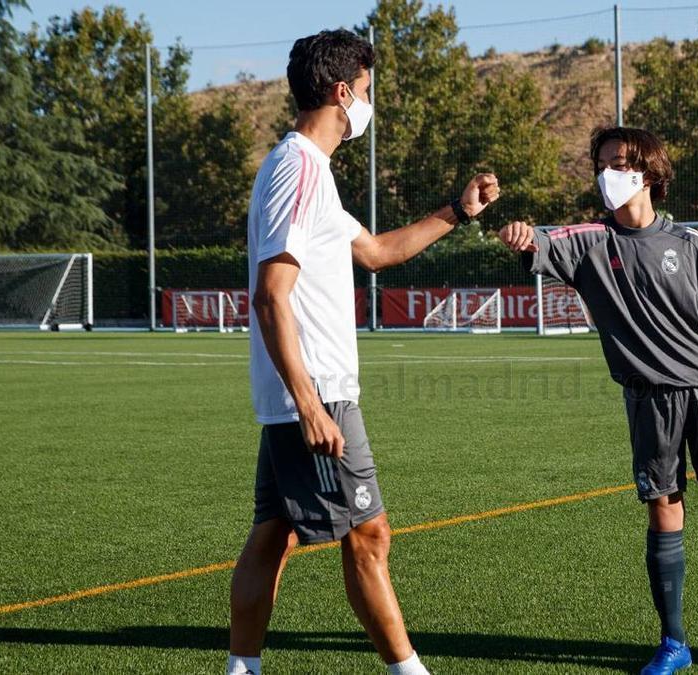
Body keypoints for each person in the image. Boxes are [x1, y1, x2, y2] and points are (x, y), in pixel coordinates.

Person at [498, 126, 698, 675]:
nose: (609, 173)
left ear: (648, 172)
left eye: (620, 162)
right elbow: (544, 242)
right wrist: (523, 235)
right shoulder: (590, 242)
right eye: (602, 163)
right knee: (663, 510)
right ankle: (674, 643)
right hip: (648, 399)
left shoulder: (688, 243)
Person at [228, 29, 500, 675]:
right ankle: (409, 671)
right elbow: (272, 295)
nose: (368, 106)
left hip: (308, 392)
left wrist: (457, 212)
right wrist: (310, 405)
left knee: (273, 532)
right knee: (369, 533)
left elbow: (375, 251)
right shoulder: (297, 169)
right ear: (343, 91)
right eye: (368, 92)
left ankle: (242, 669)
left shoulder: (310, 172)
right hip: (315, 392)